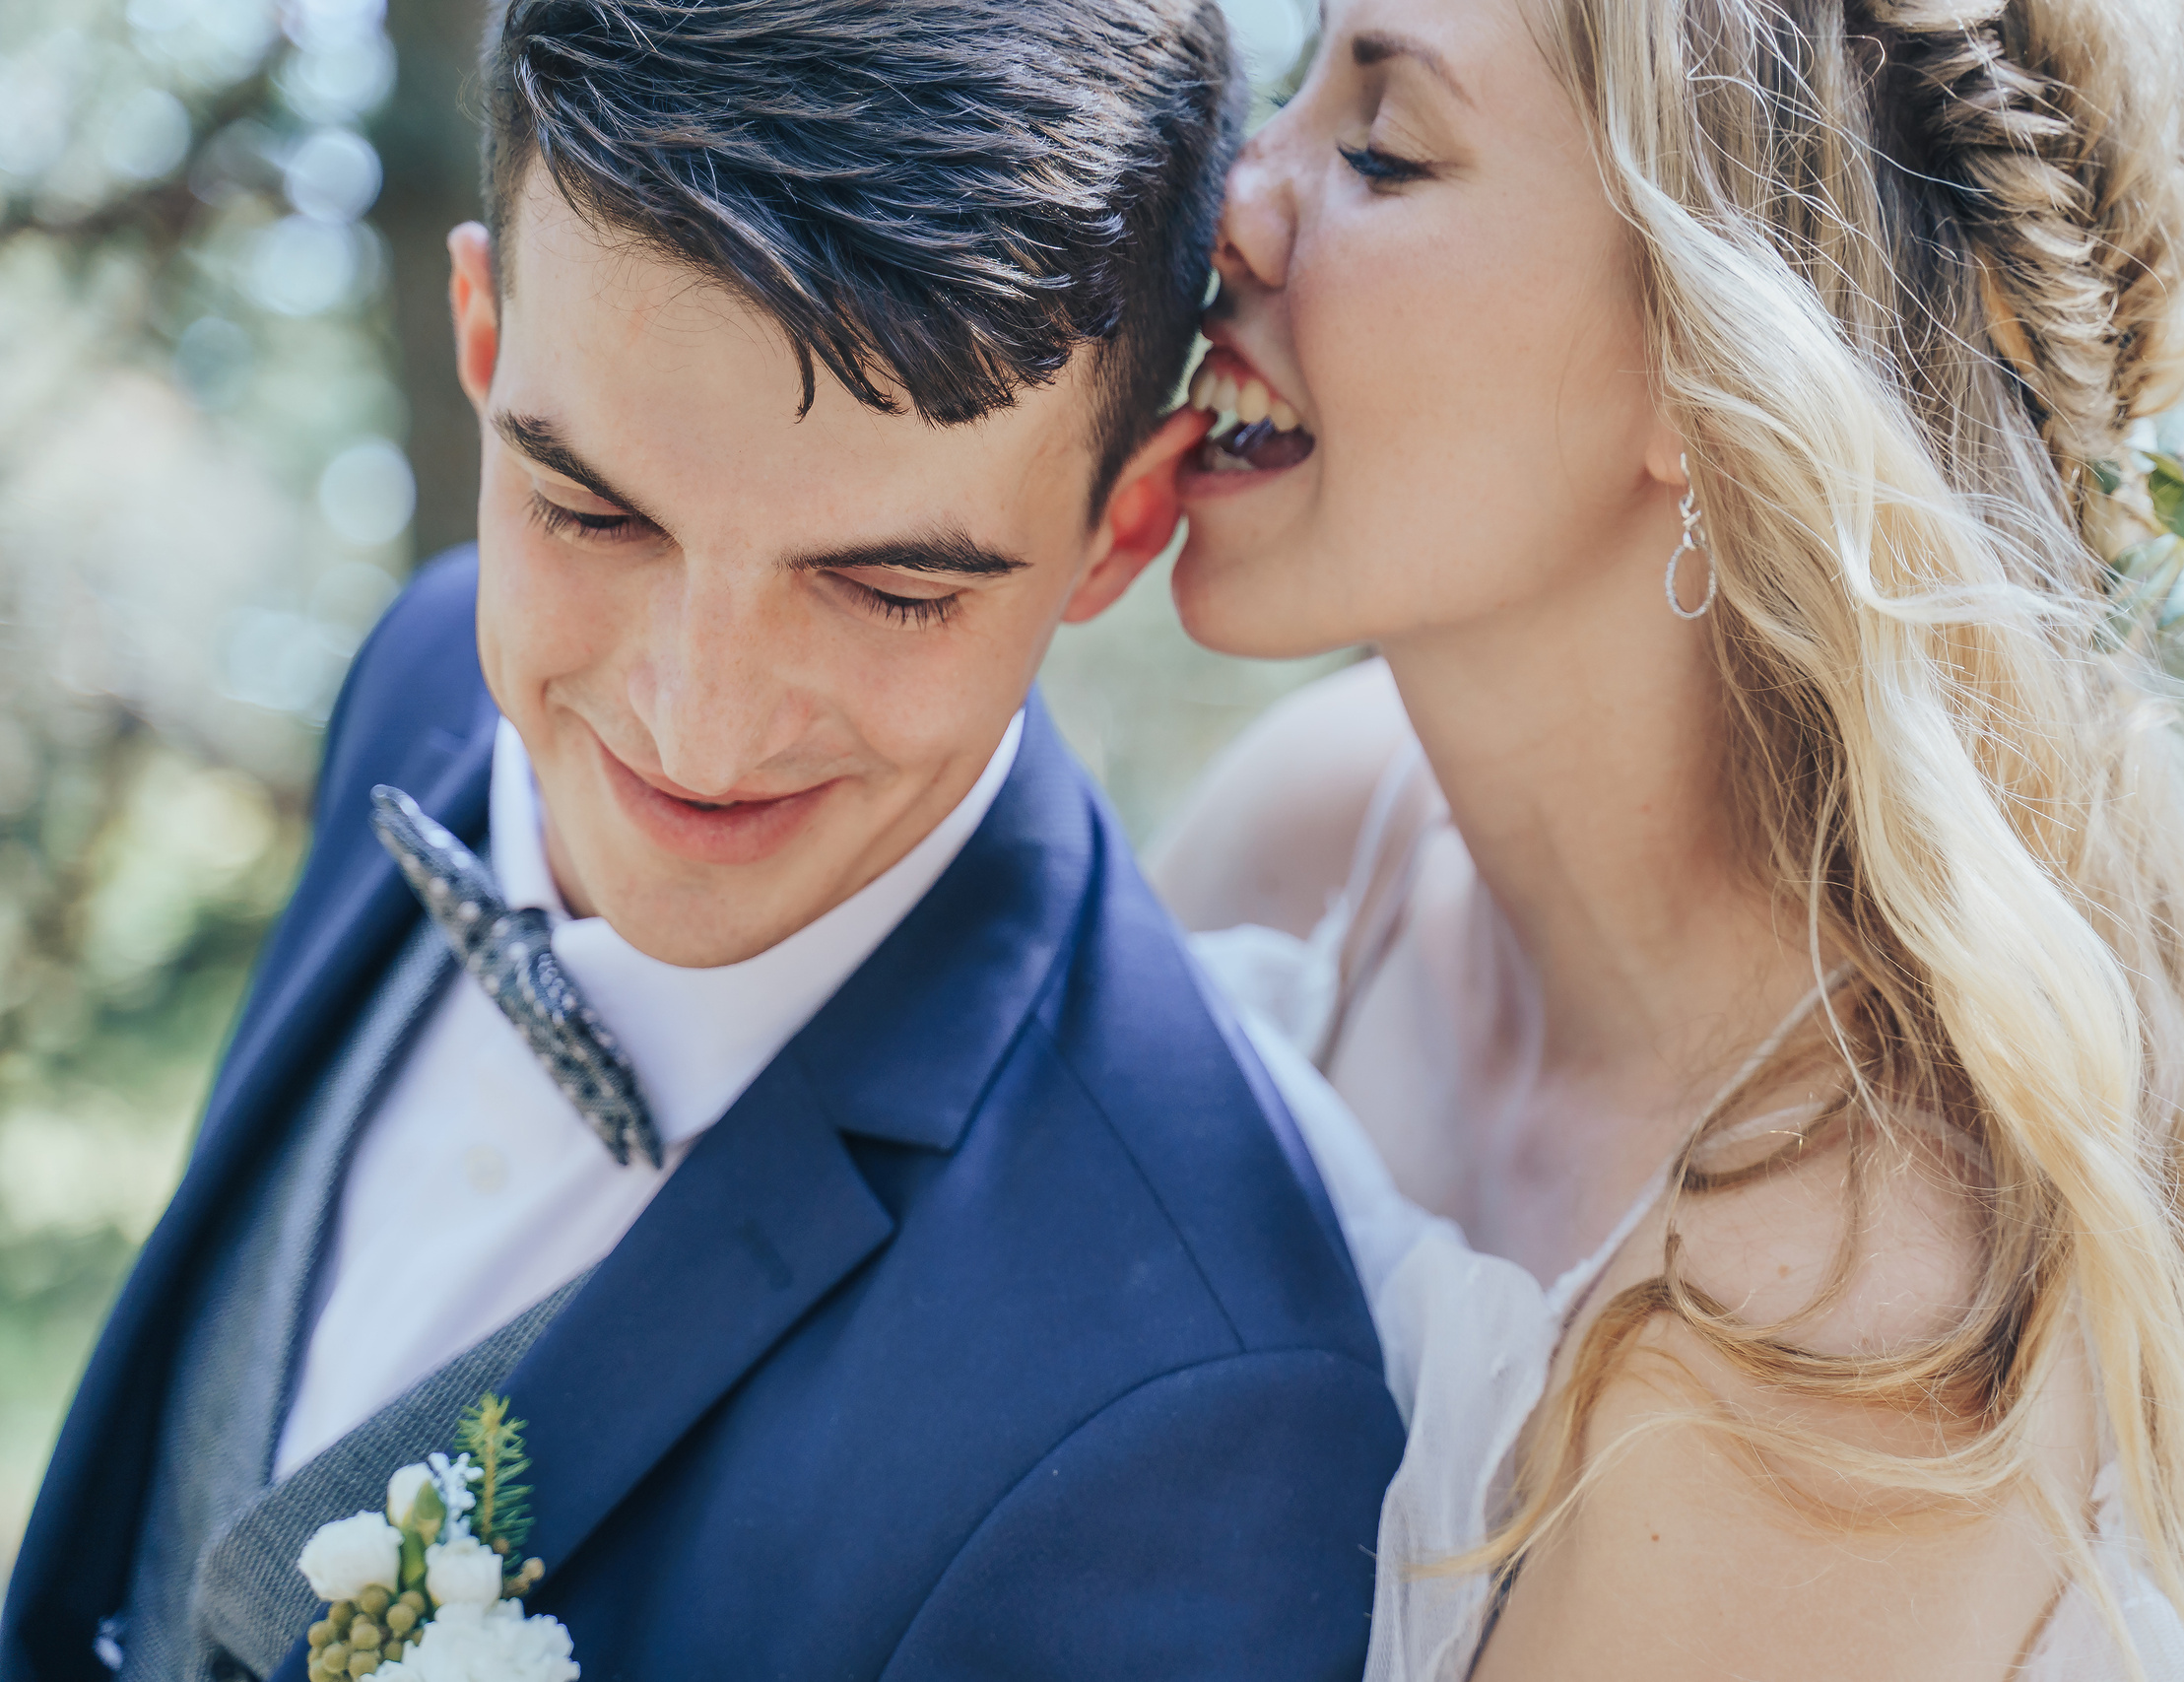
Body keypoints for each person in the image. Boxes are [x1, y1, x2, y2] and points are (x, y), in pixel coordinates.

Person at [1, 2, 1403, 1678]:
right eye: (589, 512)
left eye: (890, 587)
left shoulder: (1191, 1424)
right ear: (480, 334)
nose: (696, 725)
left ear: (1120, 526)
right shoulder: (425, 681)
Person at [1157, 0, 2184, 1678]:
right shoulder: (1317, 839)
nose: (1230, 199)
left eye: (1384, 150)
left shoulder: (1847, 1327)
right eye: (1286, 80)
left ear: (1711, 358)